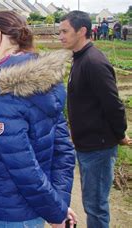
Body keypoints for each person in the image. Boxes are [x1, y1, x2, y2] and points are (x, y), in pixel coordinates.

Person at [0, 11, 77, 227]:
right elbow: (63, 151)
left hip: (11, 214)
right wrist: (58, 205)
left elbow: (24, 168)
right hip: (32, 212)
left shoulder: (6, 93)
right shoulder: (46, 82)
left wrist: (56, 213)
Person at [59, 11, 131, 227]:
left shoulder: (94, 62)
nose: (60, 35)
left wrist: (120, 134)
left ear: (81, 31)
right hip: (88, 145)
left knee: (96, 206)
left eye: (65, 31)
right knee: (92, 202)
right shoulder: (80, 58)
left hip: (98, 148)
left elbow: (113, 104)